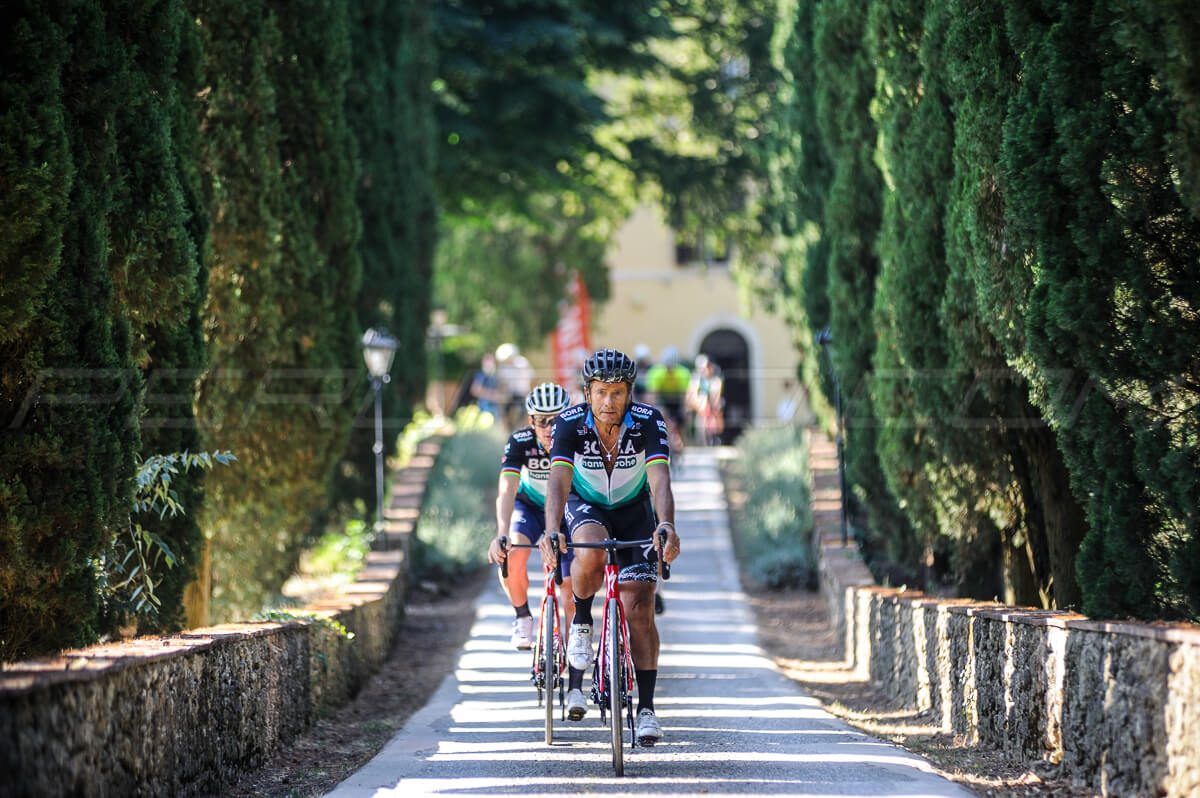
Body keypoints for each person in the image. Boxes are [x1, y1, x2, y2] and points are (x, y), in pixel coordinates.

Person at [539, 348, 681, 746]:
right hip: (586, 507)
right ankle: (582, 618)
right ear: (588, 392)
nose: (609, 402)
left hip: (636, 512)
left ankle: (647, 708)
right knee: (590, 548)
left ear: (629, 392)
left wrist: (666, 524)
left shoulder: (648, 421)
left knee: (640, 610)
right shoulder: (568, 423)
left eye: (617, 393)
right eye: (601, 392)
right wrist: (552, 530)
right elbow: (557, 483)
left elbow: (660, 479)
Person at [487, 383, 576, 649]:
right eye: (542, 421)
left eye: (557, 420)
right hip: (530, 508)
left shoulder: (577, 442)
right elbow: (506, 489)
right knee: (512, 555)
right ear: (531, 421)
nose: (549, 428)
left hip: (567, 509)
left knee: (570, 585)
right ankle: (522, 616)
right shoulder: (520, 441)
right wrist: (501, 532)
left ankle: (573, 650)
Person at [644, 346, 689, 452]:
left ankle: (681, 448)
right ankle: (665, 442)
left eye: (672, 367)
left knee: (681, 424)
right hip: (662, 399)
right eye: (667, 367)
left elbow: (685, 396)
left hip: (677, 400)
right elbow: (652, 395)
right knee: (663, 419)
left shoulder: (683, 373)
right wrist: (656, 411)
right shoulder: (656, 372)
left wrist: (685, 411)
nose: (669, 370)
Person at [686, 354, 724, 445]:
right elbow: (692, 394)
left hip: (710, 407)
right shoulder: (696, 380)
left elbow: (716, 395)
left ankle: (712, 439)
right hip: (699, 408)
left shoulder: (715, 380)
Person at [469, 353, 501, 418]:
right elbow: (475, 390)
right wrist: (490, 395)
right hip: (484, 406)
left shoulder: (495, 375)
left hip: (496, 407)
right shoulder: (481, 374)